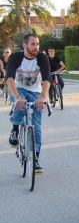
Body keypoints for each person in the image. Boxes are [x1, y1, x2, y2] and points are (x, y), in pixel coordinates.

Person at [6, 34, 51, 174]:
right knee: (20, 104)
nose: (36, 47)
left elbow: (47, 79)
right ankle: (15, 128)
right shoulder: (15, 58)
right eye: (32, 44)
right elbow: (9, 78)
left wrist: (43, 97)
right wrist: (17, 97)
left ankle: (35, 158)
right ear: (25, 45)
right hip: (19, 89)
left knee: (36, 126)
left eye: (37, 44)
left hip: (36, 91)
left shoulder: (42, 58)